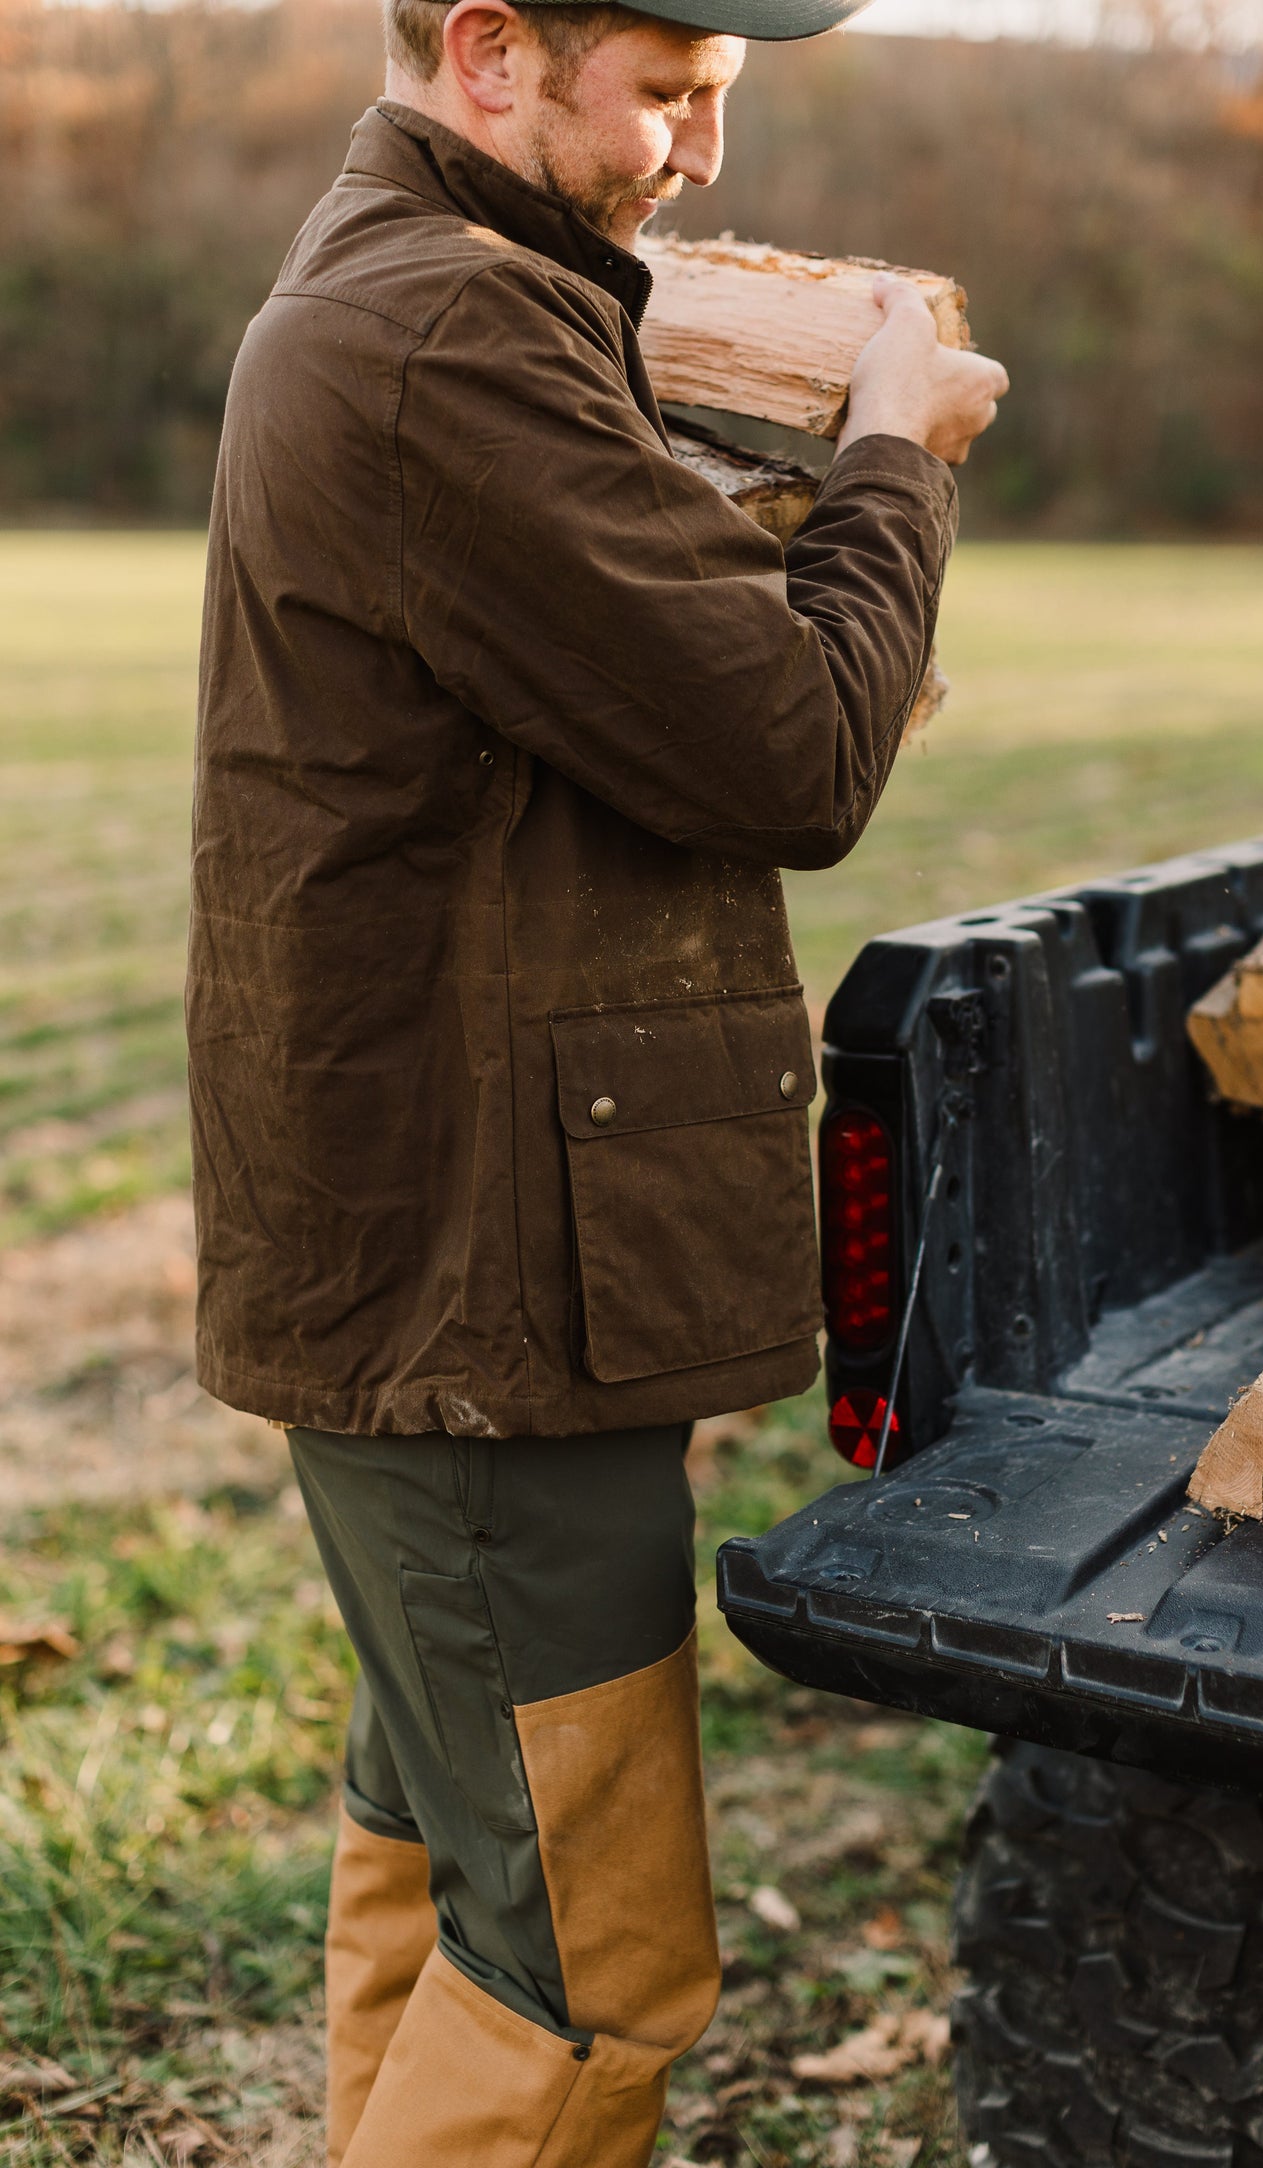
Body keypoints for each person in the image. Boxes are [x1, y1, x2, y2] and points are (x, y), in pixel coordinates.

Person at [187, 0, 1007, 2157]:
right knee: (593, 1977)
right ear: (489, 53)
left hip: (453, 1275)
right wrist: (894, 454)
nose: (701, 158)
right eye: (667, 97)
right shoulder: (450, 331)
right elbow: (800, 751)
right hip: (480, 1300)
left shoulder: (442, 296)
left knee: (459, 1869)